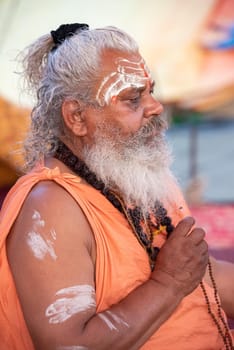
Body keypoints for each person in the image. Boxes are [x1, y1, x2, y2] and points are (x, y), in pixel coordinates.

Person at [0, 23, 233, 350]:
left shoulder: (136, 176)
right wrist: (168, 283)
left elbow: (197, 274)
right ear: (77, 117)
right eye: (133, 99)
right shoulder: (52, 208)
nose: (155, 107)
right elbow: (68, 345)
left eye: (150, 91)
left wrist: (178, 277)